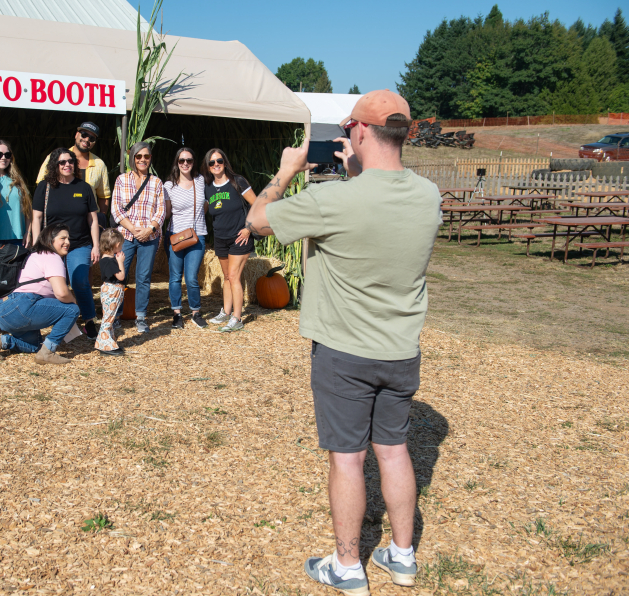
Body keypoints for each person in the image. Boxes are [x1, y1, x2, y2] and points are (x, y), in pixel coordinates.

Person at [245, 89, 442, 595]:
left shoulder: (332, 199)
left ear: (357, 131)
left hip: (344, 352)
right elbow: (380, 211)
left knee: (347, 459)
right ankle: (401, 556)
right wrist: (358, 172)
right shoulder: (428, 196)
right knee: (395, 451)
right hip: (401, 349)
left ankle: (347, 565)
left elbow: (256, 220)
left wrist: (285, 173)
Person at [0, 223, 80, 365]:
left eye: (68, 239)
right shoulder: (52, 257)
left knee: (34, 346)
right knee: (71, 309)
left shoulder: (33, 255)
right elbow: (62, 293)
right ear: (50, 240)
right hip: (21, 306)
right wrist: (74, 302)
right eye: (62, 238)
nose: (67, 242)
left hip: (2, 309)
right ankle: (48, 352)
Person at [31, 148, 100, 339]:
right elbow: (36, 218)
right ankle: (64, 320)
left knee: (79, 281)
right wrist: (38, 246)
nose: (67, 165)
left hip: (79, 244)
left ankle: (88, 320)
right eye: (62, 162)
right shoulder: (44, 187)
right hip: (52, 247)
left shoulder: (83, 187)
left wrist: (96, 245)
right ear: (55, 165)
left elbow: (92, 219)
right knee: (55, 286)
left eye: (70, 161)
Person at [112, 141, 165, 333]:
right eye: (139, 156)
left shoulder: (156, 182)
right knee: (119, 276)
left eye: (146, 156)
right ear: (132, 158)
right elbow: (116, 210)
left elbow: (161, 211)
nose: (143, 160)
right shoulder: (121, 180)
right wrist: (134, 229)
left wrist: (149, 230)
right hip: (126, 236)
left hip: (149, 238)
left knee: (143, 277)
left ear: (150, 159)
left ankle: (141, 316)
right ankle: (115, 315)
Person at [202, 148, 255, 333]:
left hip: (239, 238)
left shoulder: (237, 182)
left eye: (219, 161)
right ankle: (225, 311)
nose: (216, 165)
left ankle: (237, 318)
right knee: (226, 277)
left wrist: (249, 228)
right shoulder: (207, 187)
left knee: (233, 277)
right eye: (212, 162)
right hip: (220, 238)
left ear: (225, 162)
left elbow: (257, 205)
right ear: (208, 167)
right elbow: (203, 211)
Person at [0, 139, 32, 322]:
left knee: (15, 281)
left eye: (7, 155)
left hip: (16, 239)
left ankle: (12, 318)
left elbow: (27, 209)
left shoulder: (17, 182)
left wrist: (28, 231)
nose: (4, 158)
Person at [163, 147, 207, 330]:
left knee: (191, 277)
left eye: (189, 160)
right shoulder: (168, 186)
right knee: (175, 277)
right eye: (182, 161)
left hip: (197, 236)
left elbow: (205, 206)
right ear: (177, 163)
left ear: (193, 162)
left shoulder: (201, 181)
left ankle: (196, 312)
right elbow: (166, 214)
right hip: (175, 236)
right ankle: (177, 314)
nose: (185, 164)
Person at [36, 122, 111, 228]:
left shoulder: (99, 164)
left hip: (87, 225)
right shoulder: (54, 157)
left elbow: (104, 196)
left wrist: (100, 219)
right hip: (57, 224)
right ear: (76, 135)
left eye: (92, 138)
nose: (87, 140)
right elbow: (42, 189)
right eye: (84, 134)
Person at [94, 228, 126, 355]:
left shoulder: (104, 258)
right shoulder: (111, 261)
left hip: (109, 290)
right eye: (121, 245)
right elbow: (121, 276)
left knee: (109, 317)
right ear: (117, 245)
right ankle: (104, 343)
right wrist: (121, 262)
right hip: (112, 290)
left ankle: (109, 341)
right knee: (108, 319)